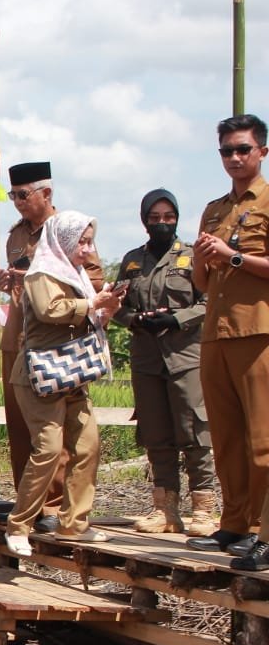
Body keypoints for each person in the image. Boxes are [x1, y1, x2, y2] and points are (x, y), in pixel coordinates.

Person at [0, 162, 102, 533]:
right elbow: (18, 288)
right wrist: (6, 281)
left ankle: (55, 507)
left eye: (25, 194)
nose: (18, 202)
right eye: (14, 195)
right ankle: (32, 504)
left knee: (58, 433)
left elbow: (92, 280)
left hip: (58, 343)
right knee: (23, 427)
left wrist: (42, 281)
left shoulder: (70, 232)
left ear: (46, 193)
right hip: (20, 334)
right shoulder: (16, 237)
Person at [5, 212, 121, 555]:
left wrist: (106, 310)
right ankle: (19, 524)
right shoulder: (42, 273)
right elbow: (48, 309)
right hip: (40, 377)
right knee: (49, 450)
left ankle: (74, 523)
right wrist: (91, 304)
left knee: (87, 446)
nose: (87, 250)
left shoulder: (77, 274)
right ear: (64, 241)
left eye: (89, 242)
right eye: (81, 242)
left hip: (73, 373)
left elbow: (87, 319)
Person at [187, 114, 269, 572]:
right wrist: (206, 258)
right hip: (215, 332)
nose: (234, 158)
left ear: (262, 151)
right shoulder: (215, 209)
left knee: (263, 440)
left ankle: (263, 530)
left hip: (258, 331)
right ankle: (236, 523)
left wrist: (234, 255)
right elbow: (201, 280)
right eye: (226, 151)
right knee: (227, 438)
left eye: (243, 149)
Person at [112, 189, 216, 535]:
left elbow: (207, 302)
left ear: (177, 218)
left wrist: (175, 319)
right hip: (146, 358)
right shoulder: (131, 261)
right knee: (156, 434)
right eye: (154, 218)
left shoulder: (191, 256)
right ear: (144, 221)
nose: (161, 223)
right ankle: (165, 510)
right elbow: (116, 306)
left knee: (195, 432)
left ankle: (204, 509)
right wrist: (134, 320)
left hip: (185, 355)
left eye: (168, 217)